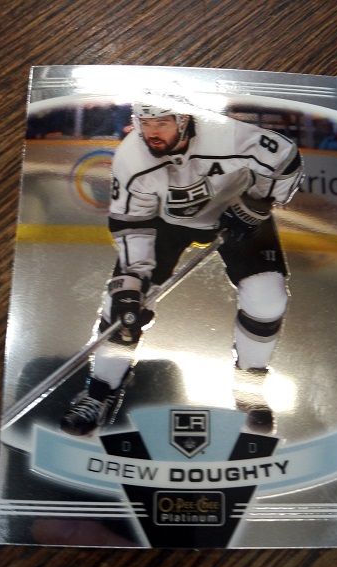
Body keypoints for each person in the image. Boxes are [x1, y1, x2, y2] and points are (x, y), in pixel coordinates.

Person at [60, 96, 304, 437]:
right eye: (145, 123)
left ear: (184, 120)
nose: (152, 132)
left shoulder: (227, 135)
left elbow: (286, 158)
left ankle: (249, 385)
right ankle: (99, 392)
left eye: (162, 123)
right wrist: (133, 281)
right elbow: (131, 222)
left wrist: (258, 202)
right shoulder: (131, 158)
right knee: (121, 306)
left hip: (236, 212)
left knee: (268, 297)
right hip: (165, 222)